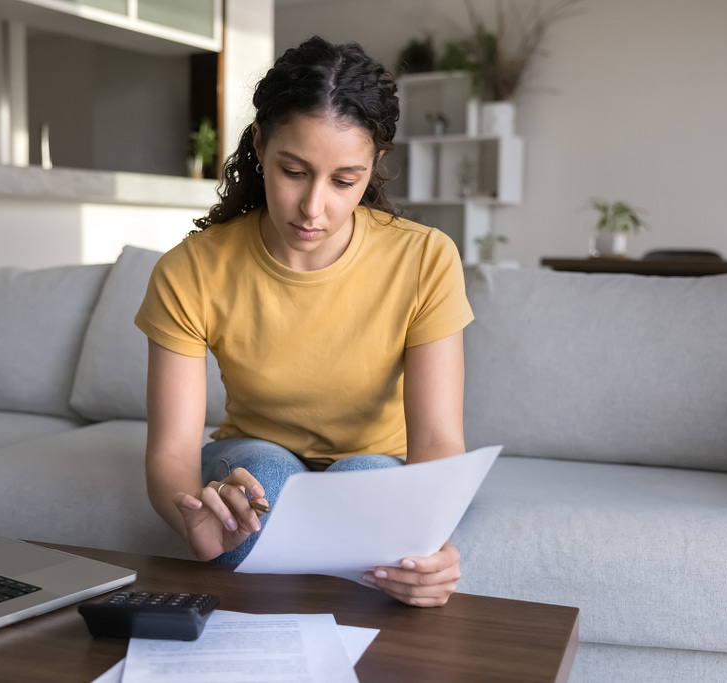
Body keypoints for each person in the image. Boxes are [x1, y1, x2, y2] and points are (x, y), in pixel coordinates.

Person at [135, 36, 474, 607]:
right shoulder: (191, 269)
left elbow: (439, 438)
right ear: (262, 145)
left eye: (345, 181)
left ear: (375, 165)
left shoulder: (425, 259)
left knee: (361, 485)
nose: (314, 207)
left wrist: (429, 543)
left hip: (377, 457)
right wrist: (187, 515)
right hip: (251, 450)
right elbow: (170, 453)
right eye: (294, 171)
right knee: (262, 482)